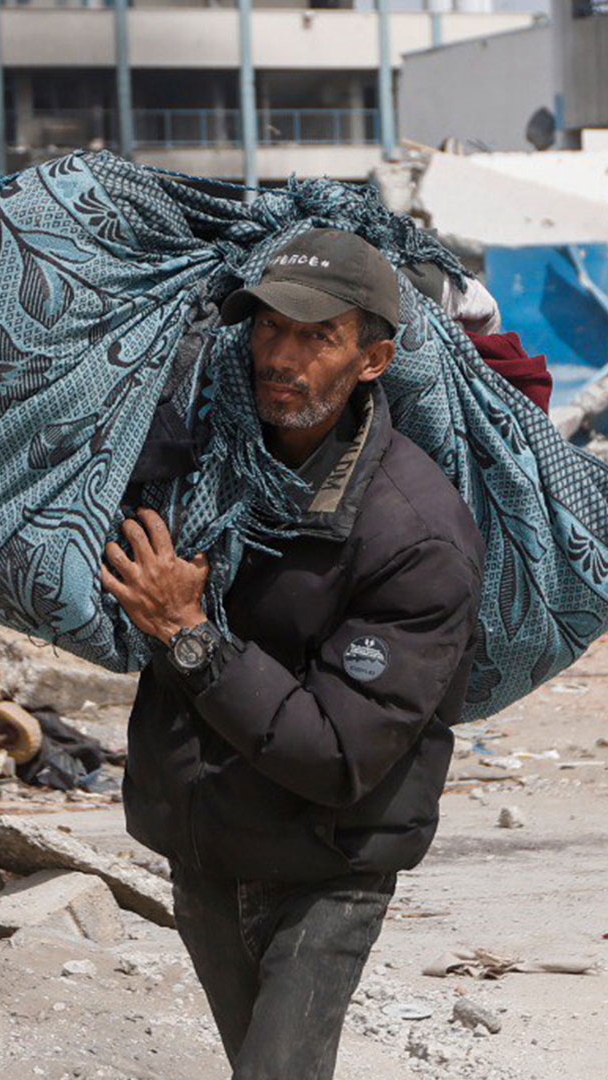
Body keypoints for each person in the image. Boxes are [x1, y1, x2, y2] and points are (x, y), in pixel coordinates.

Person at [99, 228, 485, 1080]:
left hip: (327, 866)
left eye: (318, 337)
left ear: (373, 360)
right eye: (270, 328)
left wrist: (191, 636)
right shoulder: (204, 474)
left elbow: (338, 751)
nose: (283, 356)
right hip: (205, 851)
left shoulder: (416, 535)